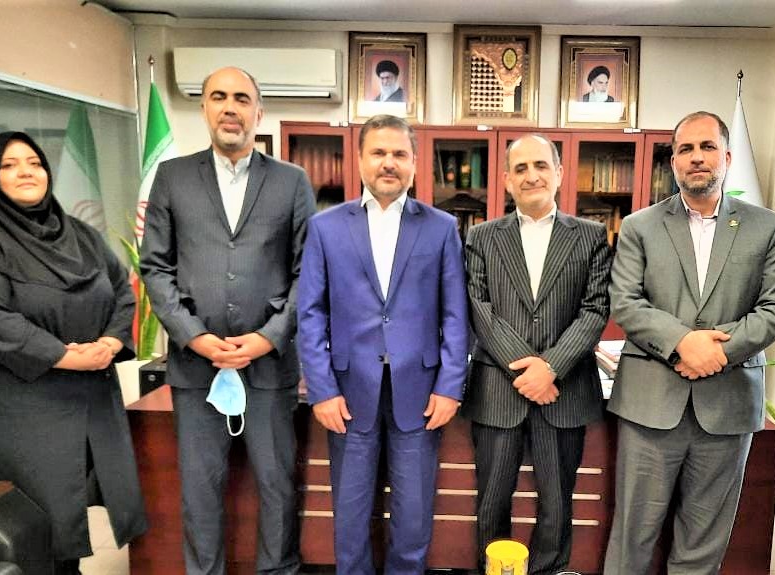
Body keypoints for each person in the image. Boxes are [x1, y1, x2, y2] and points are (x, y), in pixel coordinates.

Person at [140, 66, 316, 575]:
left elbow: (309, 272)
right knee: (200, 487)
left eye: (242, 98)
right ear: (205, 109)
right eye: (219, 96)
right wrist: (194, 337)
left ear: (259, 112)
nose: (230, 107)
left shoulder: (291, 181)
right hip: (197, 368)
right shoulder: (173, 177)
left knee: (277, 485)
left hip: (269, 367)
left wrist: (268, 337)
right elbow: (155, 266)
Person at [603, 111, 775, 574]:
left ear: (726, 157)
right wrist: (683, 343)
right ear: (673, 162)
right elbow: (625, 302)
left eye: (707, 147)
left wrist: (717, 352)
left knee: (704, 538)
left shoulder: (766, 226)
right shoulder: (640, 226)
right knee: (632, 535)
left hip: (727, 404)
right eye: (685, 149)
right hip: (651, 404)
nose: (696, 157)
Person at [0, 132, 147, 575]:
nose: (26, 171)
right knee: (29, 534)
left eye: (34, 162)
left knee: (65, 530)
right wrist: (65, 355)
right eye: (9, 165)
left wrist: (111, 342)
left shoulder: (81, 236)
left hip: (81, 404)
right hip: (7, 413)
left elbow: (121, 290)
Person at [297, 114, 469, 575]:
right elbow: (310, 314)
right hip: (348, 393)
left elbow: (456, 314)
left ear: (414, 162)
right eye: (378, 152)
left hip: (421, 393)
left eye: (399, 154)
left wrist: (450, 386)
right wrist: (322, 390)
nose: (388, 162)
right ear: (359, 160)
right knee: (351, 515)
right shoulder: (326, 227)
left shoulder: (441, 228)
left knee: (413, 516)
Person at [461, 134, 611, 574]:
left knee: (557, 502)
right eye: (521, 168)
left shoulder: (590, 236)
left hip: (564, 391)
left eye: (541, 165)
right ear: (506, 180)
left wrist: (551, 368)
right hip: (497, 390)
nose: (532, 176)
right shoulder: (481, 237)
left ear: (559, 173)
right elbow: (479, 308)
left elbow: (595, 308)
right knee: (491, 500)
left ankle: (548, 570)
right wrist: (527, 370)